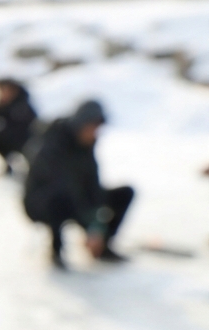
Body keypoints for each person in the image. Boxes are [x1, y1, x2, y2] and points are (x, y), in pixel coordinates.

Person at [24, 100, 133, 269]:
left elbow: (93, 184)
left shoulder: (86, 145)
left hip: (77, 199)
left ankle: (102, 246)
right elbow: (62, 185)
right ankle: (56, 250)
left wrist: (98, 228)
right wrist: (90, 226)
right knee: (59, 198)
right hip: (43, 201)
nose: (94, 133)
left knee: (125, 193)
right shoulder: (53, 141)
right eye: (92, 127)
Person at [0, 78, 36, 175]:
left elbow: (26, 127)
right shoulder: (3, 103)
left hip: (27, 139)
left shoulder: (22, 104)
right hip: (10, 139)